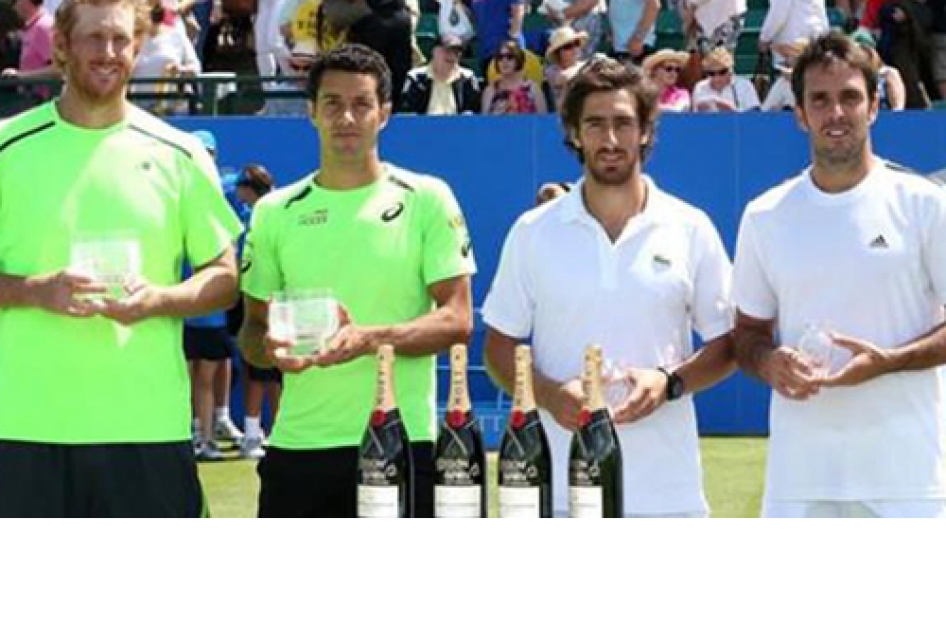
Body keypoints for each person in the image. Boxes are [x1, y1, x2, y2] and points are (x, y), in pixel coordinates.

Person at [0, 0, 242, 516]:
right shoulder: (8, 148)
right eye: (93, 38)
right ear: (61, 47)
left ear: (137, 48)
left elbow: (223, 277)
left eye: (120, 40)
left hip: (145, 428)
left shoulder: (180, 153)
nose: (108, 53)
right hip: (21, 429)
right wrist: (32, 291)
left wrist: (158, 298)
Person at [482, 57, 735, 517]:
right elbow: (499, 349)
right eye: (595, 124)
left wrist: (669, 383)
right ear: (575, 133)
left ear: (645, 131)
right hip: (559, 495)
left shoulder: (689, 226)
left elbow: (728, 345)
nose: (611, 139)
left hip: (668, 499)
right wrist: (551, 394)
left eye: (623, 123)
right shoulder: (533, 230)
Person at [239, 44, 476, 517]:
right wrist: (273, 351)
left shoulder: (426, 198)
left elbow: (457, 320)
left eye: (361, 103)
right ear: (311, 113)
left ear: (385, 113)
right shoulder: (273, 213)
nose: (346, 116)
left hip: (400, 441)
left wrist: (369, 338)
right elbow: (250, 333)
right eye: (332, 103)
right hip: (298, 446)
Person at [731, 32, 946, 518]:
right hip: (800, 481)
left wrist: (888, 360)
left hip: (909, 482)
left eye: (850, 97)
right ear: (800, 114)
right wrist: (769, 363)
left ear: (874, 107)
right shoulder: (765, 215)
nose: (836, 113)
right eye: (820, 100)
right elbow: (746, 336)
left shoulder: (925, 205)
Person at [398, 33, 482, 115]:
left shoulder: (467, 78)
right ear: (434, 51)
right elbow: (406, 111)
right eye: (448, 50)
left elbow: (474, 110)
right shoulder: (415, 77)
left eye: (457, 52)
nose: (452, 56)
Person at [482, 39, 548, 114]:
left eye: (510, 57)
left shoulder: (533, 88)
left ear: (518, 59)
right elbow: (484, 123)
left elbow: (543, 121)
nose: (504, 61)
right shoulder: (490, 91)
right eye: (500, 57)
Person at [692, 46, 761, 111]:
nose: (717, 78)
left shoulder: (745, 85)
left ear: (730, 71)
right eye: (711, 73)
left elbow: (755, 116)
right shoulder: (700, 87)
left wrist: (733, 112)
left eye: (722, 72)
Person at [543, 25, 587, 112]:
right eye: (568, 46)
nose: (574, 49)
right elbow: (563, 77)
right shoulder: (551, 71)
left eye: (576, 43)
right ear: (558, 53)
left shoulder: (586, 66)